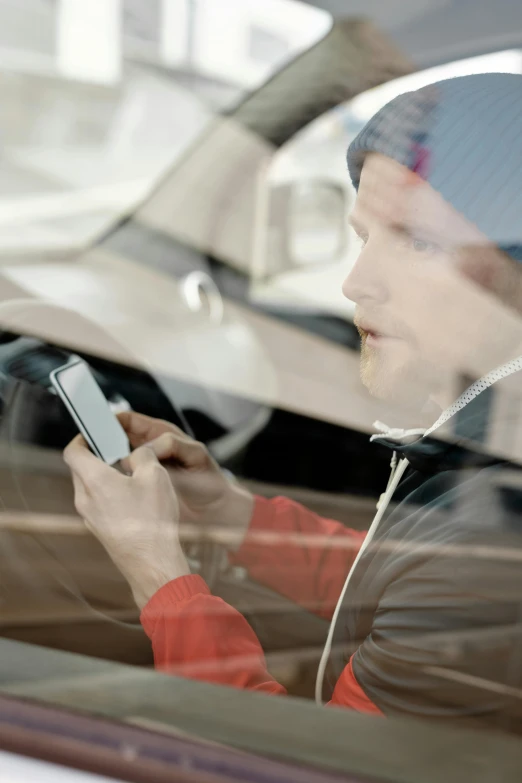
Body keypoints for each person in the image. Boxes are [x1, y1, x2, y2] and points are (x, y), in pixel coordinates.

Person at [64, 73, 522, 732]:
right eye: (365, 237)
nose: (356, 281)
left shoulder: (492, 541)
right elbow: (393, 586)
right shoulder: (489, 442)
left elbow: (288, 764)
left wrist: (157, 573)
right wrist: (228, 511)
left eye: (419, 241)